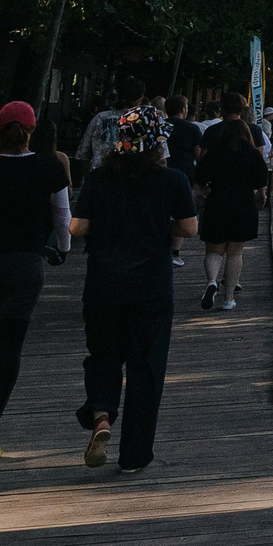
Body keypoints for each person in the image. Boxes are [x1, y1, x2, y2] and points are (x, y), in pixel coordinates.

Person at [70, 106, 196, 474]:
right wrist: (160, 224)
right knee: (146, 368)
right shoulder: (172, 180)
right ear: (158, 142)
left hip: (104, 285)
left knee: (103, 355)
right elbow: (189, 229)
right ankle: (134, 457)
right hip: (151, 288)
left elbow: (77, 228)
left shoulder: (98, 179)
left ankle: (103, 417)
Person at [0, 100, 72, 461]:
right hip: (25, 264)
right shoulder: (50, 166)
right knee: (10, 347)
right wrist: (63, 248)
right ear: (32, 130)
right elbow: (62, 214)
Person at [194, 111, 270, 312]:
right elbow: (262, 181)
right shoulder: (253, 153)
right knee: (235, 253)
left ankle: (212, 281)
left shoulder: (216, 151)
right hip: (243, 204)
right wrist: (261, 196)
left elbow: (200, 177)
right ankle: (228, 298)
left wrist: (203, 193)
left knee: (214, 250)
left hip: (217, 202)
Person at [163, 96, 202, 267]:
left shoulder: (160, 125)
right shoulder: (192, 128)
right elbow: (198, 154)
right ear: (184, 110)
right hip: (185, 173)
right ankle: (175, 252)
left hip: (162, 171)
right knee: (181, 211)